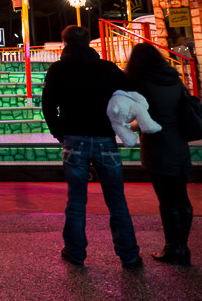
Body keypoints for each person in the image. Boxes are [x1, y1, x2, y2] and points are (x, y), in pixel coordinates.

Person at [42, 25, 142, 269]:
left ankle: (75, 252)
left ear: (64, 42)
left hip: (74, 139)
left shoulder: (58, 69)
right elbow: (131, 94)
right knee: (116, 199)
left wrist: (59, 133)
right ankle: (128, 255)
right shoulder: (106, 68)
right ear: (88, 42)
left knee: (76, 200)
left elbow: (48, 105)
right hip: (105, 139)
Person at [126, 43, 193, 266]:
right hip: (179, 144)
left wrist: (129, 127)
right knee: (181, 196)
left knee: (166, 199)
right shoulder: (174, 79)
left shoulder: (142, 85)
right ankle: (183, 247)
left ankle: (173, 248)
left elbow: (140, 121)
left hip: (158, 146)